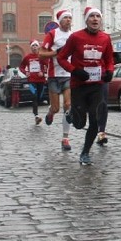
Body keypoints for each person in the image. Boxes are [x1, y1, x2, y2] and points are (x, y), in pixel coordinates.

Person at [57, 7, 114, 166]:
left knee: (95, 120)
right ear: (86, 20)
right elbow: (61, 58)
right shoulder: (76, 37)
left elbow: (109, 59)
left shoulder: (105, 38)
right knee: (79, 124)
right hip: (79, 85)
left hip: (97, 85)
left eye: (98, 16)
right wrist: (74, 70)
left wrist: (109, 71)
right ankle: (71, 114)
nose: (95, 19)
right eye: (92, 17)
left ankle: (85, 152)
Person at [40, 9, 74, 151]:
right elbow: (41, 54)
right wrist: (56, 52)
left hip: (68, 75)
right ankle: (50, 113)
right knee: (56, 108)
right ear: (60, 21)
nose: (68, 20)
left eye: (70, 18)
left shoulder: (73, 36)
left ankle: (65, 138)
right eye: (65, 18)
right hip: (54, 76)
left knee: (68, 105)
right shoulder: (52, 34)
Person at [19, 40, 49, 125]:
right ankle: (36, 116)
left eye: (36, 45)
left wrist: (43, 73)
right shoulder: (27, 57)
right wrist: (26, 73)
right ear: (31, 47)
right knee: (34, 96)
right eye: (33, 46)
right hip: (31, 80)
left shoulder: (41, 56)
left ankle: (35, 112)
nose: (34, 47)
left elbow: (48, 65)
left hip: (41, 80)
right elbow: (21, 67)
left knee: (39, 97)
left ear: (38, 47)